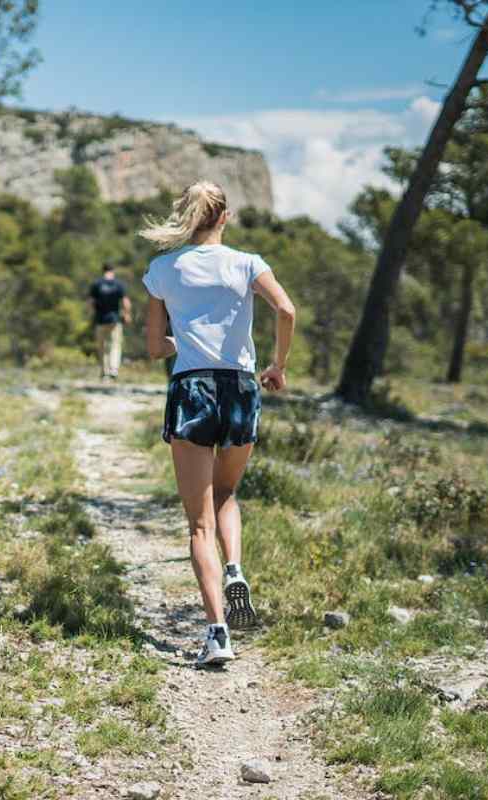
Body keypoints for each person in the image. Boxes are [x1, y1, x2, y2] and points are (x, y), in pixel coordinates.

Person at [140, 181, 296, 667]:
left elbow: (152, 347)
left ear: (185, 217)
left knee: (198, 523)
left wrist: (180, 342)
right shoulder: (248, 263)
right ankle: (235, 567)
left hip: (191, 390)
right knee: (227, 493)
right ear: (224, 216)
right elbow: (286, 309)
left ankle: (217, 634)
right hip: (241, 388)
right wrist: (277, 366)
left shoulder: (164, 269)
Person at [89, 264, 132, 380]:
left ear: (102, 271)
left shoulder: (96, 284)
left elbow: (91, 303)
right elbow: (125, 302)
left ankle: (104, 371)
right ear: (112, 271)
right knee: (115, 345)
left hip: (100, 320)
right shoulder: (118, 284)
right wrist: (127, 314)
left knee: (101, 346)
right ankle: (114, 369)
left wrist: (92, 315)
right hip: (114, 320)